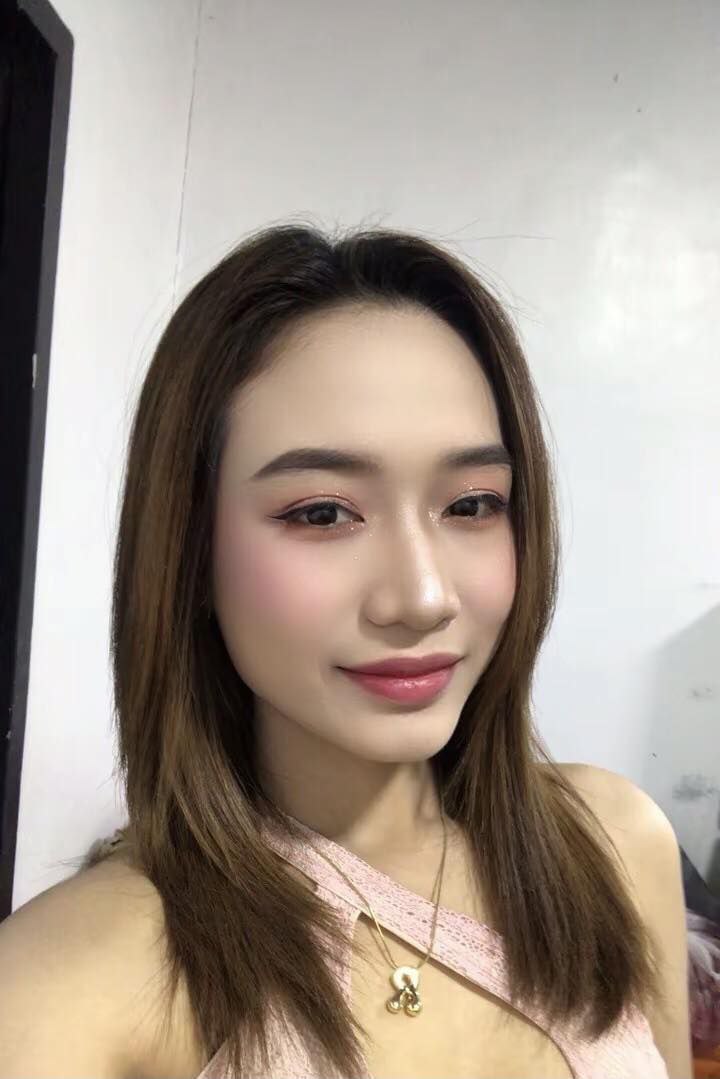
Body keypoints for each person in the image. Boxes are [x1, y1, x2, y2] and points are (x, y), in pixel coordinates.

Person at [0, 222, 692, 1078]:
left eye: (472, 504)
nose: (424, 597)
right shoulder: (75, 982)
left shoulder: (613, 844)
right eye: (323, 513)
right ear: (190, 550)